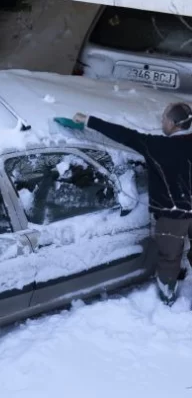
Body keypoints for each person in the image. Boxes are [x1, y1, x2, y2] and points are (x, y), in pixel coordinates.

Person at [55, 102, 192, 306]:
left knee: (169, 258)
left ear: (173, 124)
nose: (161, 122)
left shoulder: (158, 146)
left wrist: (89, 121)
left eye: (163, 119)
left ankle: (167, 299)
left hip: (172, 215)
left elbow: (125, 135)